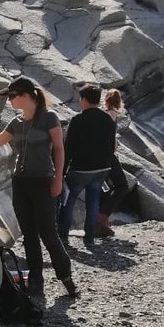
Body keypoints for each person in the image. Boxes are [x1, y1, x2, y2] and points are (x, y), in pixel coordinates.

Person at [0, 76, 78, 298]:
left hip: (43, 182)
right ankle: (36, 282)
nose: (9, 100)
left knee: (48, 233)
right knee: (29, 235)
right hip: (20, 183)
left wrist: (58, 179)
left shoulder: (49, 117)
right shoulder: (16, 122)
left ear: (25, 96)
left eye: (12, 96)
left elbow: (59, 148)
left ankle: (66, 278)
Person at [59, 82, 117, 247]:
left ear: (84, 100)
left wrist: (62, 171)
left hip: (80, 169)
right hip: (101, 168)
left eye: (80, 99)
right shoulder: (108, 119)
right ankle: (89, 237)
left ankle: (63, 236)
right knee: (93, 202)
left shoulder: (78, 119)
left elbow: (68, 147)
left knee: (68, 201)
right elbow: (111, 145)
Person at [96, 88, 129, 237]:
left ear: (106, 100)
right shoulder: (112, 114)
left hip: (97, 155)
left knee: (104, 188)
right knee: (121, 186)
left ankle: (101, 220)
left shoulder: (101, 112)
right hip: (107, 155)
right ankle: (101, 218)